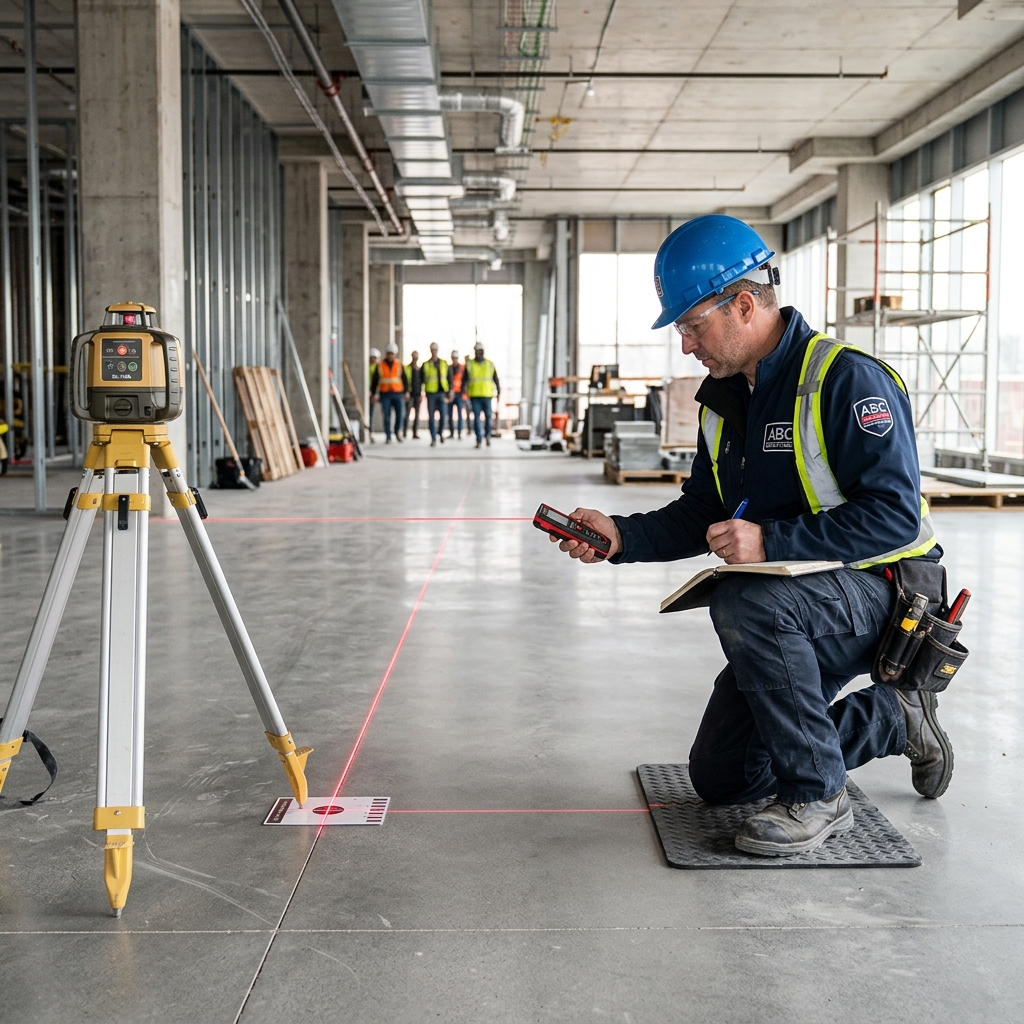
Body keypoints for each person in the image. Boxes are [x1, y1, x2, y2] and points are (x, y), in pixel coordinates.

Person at [549, 214, 952, 858]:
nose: (685, 344)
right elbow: (700, 513)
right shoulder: (726, 401)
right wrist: (619, 536)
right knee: (725, 779)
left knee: (745, 599)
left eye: (690, 324)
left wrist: (769, 544)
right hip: (802, 600)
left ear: (742, 304)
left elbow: (896, 517)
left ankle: (818, 796)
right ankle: (893, 717)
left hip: (888, 594)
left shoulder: (846, 381)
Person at [463, 342, 500, 448]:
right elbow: (464, 380)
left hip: (487, 395)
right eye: (477, 351)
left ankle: (487, 436)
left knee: (489, 417)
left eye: (480, 351)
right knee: (476, 418)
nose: (479, 353)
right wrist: (464, 391)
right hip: (474, 396)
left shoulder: (490, 364)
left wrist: (499, 391)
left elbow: (495, 379)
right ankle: (479, 439)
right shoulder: (470, 364)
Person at [369, 342, 407, 443]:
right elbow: (375, 381)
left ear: (395, 354)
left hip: (398, 393)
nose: (390, 355)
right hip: (385, 393)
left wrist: (406, 391)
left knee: (400, 414)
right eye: (389, 353)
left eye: (392, 353)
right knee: (386, 416)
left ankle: (397, 431)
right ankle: (388, 436)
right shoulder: (380, 365)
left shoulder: (399, 364)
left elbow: (404, 379)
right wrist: (373, 393)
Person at [422, 342, 450, 447]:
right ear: (430, 350)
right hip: (430, 393)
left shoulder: (443, 363)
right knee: (431, 417)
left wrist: (450, 390)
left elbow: (449, 377)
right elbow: (421, 380)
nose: (434, 351)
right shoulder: (426, 364)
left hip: (442, 393)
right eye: (432, 349)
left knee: (443, 415)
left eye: (435, 349)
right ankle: (433, 438)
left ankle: (440, 433)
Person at [447, 350, 467, 439]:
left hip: (459, 394)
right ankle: (451, 432)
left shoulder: (462, 367)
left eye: (456, 358)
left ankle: (459, 432)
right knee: (450, 414)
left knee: (459, 414)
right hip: (451, 394)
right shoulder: (449, 368)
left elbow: (465, 379)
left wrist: (464, 391)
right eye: (453, 358)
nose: (454, 359)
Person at [404, 350, 423, 439]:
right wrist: (406, 391)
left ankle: (415, 432)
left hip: (417, 394)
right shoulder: (407, 368)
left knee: (417, 414)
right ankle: (404, 431)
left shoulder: (419, 369)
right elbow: (405, 381)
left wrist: (421, 394)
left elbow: (421, 383)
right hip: (410, 394)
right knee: (407, 413)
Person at [367, 347, 381, 437]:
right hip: (368, 391)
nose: (373, 359)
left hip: (375, 392)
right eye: (371, 357)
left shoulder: (379, 368)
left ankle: (371, 431)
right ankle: (369, 431)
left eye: (374, 358)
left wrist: (374, 393)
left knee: (372, 412)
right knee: (369, 412)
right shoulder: (367, 367)